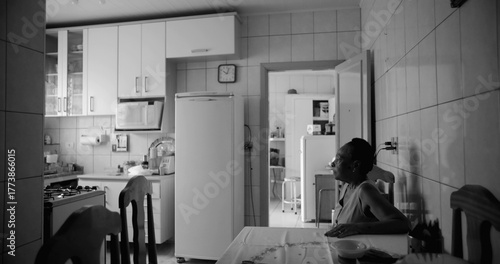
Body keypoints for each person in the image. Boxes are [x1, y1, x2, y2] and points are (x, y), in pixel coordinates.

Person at [324, 138, 410, 238]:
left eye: (338, 159)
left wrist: (357, 228)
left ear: (355, 165)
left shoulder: (365, 191)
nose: (332, 164)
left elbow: (403, 224)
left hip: (363, 252)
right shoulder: (347, 186)